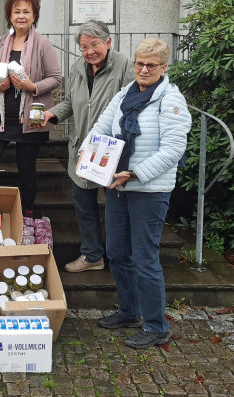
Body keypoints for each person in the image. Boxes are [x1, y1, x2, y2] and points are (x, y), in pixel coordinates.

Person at [79, 38, 191, 349]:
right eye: (139, 63)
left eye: (150, 65)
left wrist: (137, 172)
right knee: (116, 252)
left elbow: (173, 150)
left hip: (149, 189)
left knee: (145, 258)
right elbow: (101, 126)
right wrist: (87, 151)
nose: (143, 69)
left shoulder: (171, 101)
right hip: (118, 185)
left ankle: (156, 326)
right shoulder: (125, 94)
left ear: (164, 68)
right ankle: (129, 312)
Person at [40, 20, 133, 272]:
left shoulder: (124, 65)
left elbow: (132, 103)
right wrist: (53, 114)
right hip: (83, 147)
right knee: (83, 202)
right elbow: (71, 101)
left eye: (95, 44)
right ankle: (92, 255)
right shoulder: (77, 67)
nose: (89, 51)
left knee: (118, 207)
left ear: (108, 42)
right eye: (84, 46)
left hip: (113, 150)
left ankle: (122, 260)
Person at [0, 0, 61, 217]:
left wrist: (32, 86)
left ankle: (27, 211)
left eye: (27, 11)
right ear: (10, 16)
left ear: (34, 16)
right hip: (1, 114)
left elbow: (55, 78)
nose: (21, 16)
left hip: (30, 115)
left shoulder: (43, 44)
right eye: (17, 12)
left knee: (26, 167)